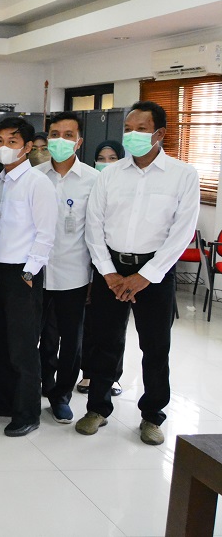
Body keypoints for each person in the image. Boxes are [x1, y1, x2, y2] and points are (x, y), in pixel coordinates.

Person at [77, 101, 200, 446]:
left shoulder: (183, 174)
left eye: (141, 129)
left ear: (160, 133)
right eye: (128, 129)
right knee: (105, 342)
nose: (132, 135)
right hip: (111, 269)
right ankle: (97, 408)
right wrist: (109, 273)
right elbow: (94, 225)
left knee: (156, 346)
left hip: (155, 273)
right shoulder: (110, 174)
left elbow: (182, 231)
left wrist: (145, 276)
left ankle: (152, 416)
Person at [0, 118, 57, 437]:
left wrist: (29, 271)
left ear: (26, 148)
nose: (3, 147)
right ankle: (3, 399)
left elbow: (46, 233)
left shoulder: (37, 183)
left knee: (22, 347)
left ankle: (27, 412)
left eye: (12, 142)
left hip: (22, 273)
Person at [35, 112, 99, 425]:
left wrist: (94, 277)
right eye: (55, 134)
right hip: (36, 272)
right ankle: (44, 385)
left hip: (75, 273)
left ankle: (61, 395)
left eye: (68, 135)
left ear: (79, 141)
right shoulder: (35, 175)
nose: (61, 140)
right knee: (41, 336)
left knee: (71, 340)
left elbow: (97, 231)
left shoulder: (94, 180)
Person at [78, 140, 126, 396]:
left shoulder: (127, 186)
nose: (106, 163)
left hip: (117, 264)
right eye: (101, 158)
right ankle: (88, 372)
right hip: (91, 261)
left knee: (115, 327)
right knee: (91, 323)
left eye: (112, 158)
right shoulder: (90, 183)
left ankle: (113, 376)